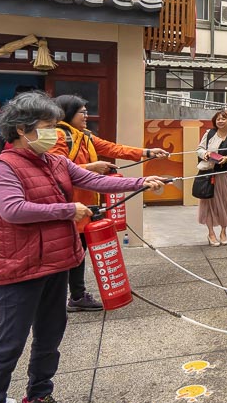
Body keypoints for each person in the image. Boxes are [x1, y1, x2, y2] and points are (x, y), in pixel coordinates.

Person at [0, 91, 165, 403]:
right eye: (48, 127)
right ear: (22, 129)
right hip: (20, 267)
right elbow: (13, 210)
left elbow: (94, 180)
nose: (55, 134)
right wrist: (68, 211)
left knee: (50, 336)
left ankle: (37, 397)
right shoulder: (2, 167)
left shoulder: (53, 161)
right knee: (11, 343)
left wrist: (141, 182)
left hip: (58, 261)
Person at [49, 94, 169, 311]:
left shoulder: (83, 136)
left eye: (86, 111)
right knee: (72, 254)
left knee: (79, 251)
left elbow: (114, 149)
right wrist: (91, 168)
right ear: (67, 113)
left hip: (86, 204)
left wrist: (147, 152)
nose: (86, 115)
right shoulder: (59, 136)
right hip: (70, 205)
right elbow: (55, 171)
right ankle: (69, 297)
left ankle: (76, 295)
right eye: (81, 112)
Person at [196, 109, 227, 246]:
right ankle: (211, 233)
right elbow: (199, 149)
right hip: (209, 175)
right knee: (209, 204)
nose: (220, 121)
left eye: (223, 119)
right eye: (218, 119)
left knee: (226, 204)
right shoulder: (209, 134)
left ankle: (223, 232)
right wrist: (204, 154)